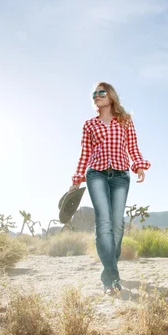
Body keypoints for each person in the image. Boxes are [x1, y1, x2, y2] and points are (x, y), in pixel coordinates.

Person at [69, 82, 150, 295]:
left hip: (121, 175)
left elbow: (132, 146)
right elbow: (85, 153)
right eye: (94, 93)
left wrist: (139, 165)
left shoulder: (125, 121)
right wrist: (78, 177)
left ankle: (110, 264)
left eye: (101, 92)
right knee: (103, 222)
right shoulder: (89, 125)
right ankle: (111, 280)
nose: (97, 95)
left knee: (117, 224)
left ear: (111, 95)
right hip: (96, 173)